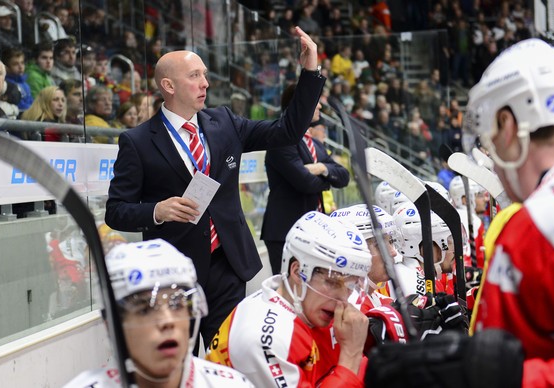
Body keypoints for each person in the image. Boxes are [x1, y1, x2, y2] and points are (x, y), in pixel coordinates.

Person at [367, 38, 554, 388]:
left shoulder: (538, 225)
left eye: (489, 140)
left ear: (508, 126)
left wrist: (501, 374)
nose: (490, 158)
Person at [105, 26, 325, 349]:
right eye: (195, 76)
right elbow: (115, 211)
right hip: (175, 272)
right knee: (186, 360)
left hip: (228, 263)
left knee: (229, 354)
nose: (205, 83)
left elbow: (287, 131)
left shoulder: (224, 122)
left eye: (205, 75)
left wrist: (309, 72)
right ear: (168, 85)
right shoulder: (137, 142)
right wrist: (157, 210)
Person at [206, 211, 371, 387]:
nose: (343, 299)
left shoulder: (298, 305)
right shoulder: (267, 339)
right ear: (298, 272)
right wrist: (351, 354)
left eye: (351, 286)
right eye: (332, 282)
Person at [64, 239, 255, 387]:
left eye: (176, 304)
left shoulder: (231, 384)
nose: (167, 321)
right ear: (112, 325)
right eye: (145, 309)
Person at [261, 84, 350, 275]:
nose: (319, 107)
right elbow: (304, 183)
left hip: (312, 231)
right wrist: (327, 182)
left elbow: (343, 176)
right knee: (289, 293)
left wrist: (321, 168)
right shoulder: (281, 140)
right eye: (315, 103)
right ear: (299, 104)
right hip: (286, 231)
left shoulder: (313, 143)